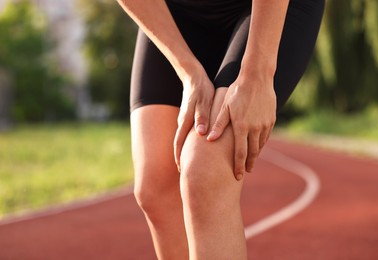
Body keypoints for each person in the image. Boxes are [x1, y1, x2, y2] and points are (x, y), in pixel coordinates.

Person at [117, 0, 324, 259]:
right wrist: (188, 72)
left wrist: (257, 74)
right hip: (176, 10)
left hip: (261, 9)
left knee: (205, 168)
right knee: (155, 187)